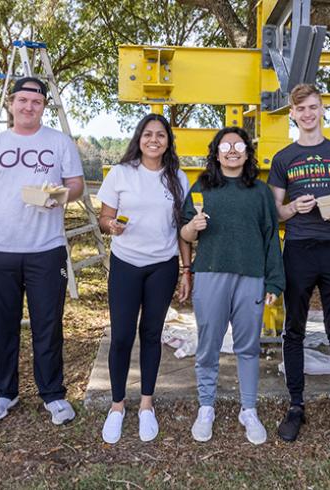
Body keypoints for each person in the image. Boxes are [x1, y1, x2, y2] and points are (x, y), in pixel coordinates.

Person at [0, 76, 86, 427]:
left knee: (47, 325)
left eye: (35, 101)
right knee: (2, 324)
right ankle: (4, 393)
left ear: (44, 106)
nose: (28, 106)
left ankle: (53, 393)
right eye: (22, 100)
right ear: (11, 103)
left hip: (46, 250)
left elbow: (76, 185)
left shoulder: (60, 142)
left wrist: (60, 196)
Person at [267, 84, 330, 446]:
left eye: (313, 107)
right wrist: (293, 208)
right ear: (292, 114)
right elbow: (277, 211)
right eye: (300, 109)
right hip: (298, 249)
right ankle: (295, 406)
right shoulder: (284, 158)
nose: (307, 113)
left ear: (322, 109)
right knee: (295, 330)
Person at [181, 127, 284, 445]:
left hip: (250, 276)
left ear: (247, 151)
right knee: (208, 345)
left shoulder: (260, 191)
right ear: (216, 152)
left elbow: (270, 238)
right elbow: (184, 235)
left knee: (248, 347)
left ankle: (249, 409)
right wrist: (193, 227)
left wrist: (275, 280)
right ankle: (206, 406)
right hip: (211, 274)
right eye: (225, 146)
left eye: (238, 145)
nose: (232, 150)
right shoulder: (202, 187)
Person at [95, 113, 192, 443]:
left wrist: (185, 269)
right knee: (121, 336)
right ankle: (117, 406)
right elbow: (104, 217)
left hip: (162, 266)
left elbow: (182, 228)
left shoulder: (177, 177)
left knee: (151, 334)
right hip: (126, 264)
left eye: (161, 135)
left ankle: (146, 406)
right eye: (148, 134)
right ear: (139, 139)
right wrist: (112, 226)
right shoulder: (121, 173)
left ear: (168, 141)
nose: (154, 139)